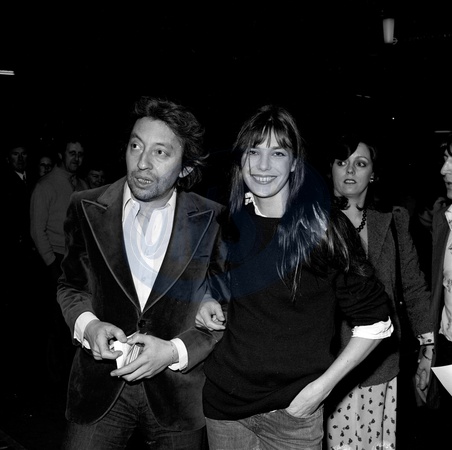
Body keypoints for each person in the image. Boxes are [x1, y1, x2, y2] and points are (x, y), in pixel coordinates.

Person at [195, 105, 393, 450]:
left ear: (294, 162)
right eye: (253, 151)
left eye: (277, 153)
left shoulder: (324, 228)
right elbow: (222, 285)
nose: (262, 165)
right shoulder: (230, 222)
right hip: (224, 408)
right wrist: (207, 299)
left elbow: (377, 322)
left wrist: (321, 389)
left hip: (293, 416)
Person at [56, 96, 225, 450]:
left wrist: (174, 351)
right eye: (136, 146)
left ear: (185, 168)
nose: (142, 162)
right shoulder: (86, 207)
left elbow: (224, 311)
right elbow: (71, 286)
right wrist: (89, 326)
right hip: (100, 388)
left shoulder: (212, 220)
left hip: (177, 397)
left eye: (160, 152)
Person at [322, 133, 434, 450]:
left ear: (373, 173)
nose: (349, 170)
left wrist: (428, 347)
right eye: (341, 162)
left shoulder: (392, 222)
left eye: (360, 163)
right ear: (330, 168)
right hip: (327, 366)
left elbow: (413, 286)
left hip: (380, 363)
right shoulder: (312, 221)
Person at [30, 133, 89, 385]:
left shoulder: (83, 185)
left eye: (80, 154)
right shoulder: (45, 186)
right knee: (56, 323)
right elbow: (37, 230)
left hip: (78, 262)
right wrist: (52, 264)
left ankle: (73, 377)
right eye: (71, 153)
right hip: (55, 261)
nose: (76, 158)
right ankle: (56, 382)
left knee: (76, 319)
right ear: (60, 155)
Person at [424, 131, 452, 448]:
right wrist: (428, 351)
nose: (444, 170)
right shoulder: (444, 220)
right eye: (445, 159)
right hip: (448, 346)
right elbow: (437, 295)